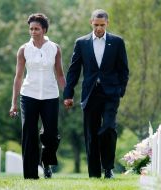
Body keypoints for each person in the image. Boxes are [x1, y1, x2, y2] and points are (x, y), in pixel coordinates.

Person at [63, 9, 129, 179]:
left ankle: (108, 168)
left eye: (102, 25)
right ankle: (94, 173)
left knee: (108, 128)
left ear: (107, 23)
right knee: (91, 133)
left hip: (111, 94)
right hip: (90, 94)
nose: (99, 28)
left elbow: (124, 69)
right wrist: (68, 94)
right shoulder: (81, 43)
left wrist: (120, 90)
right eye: (96, 24)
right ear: (91, 23)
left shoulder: (117, 42)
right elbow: (74, 70)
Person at [9, 13, 66, 179]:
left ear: (44, 30)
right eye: (31, 29)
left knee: (50, 135)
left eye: (37, 29)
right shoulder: (23, 50)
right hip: (29, 95)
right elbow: (18, 77)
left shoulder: (55, 48)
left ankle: (46, 162)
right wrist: (14, 103)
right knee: (29, 134)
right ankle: (30, 176)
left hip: (50, 95)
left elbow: (60, 75)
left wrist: (67, 95)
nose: (33, 31)